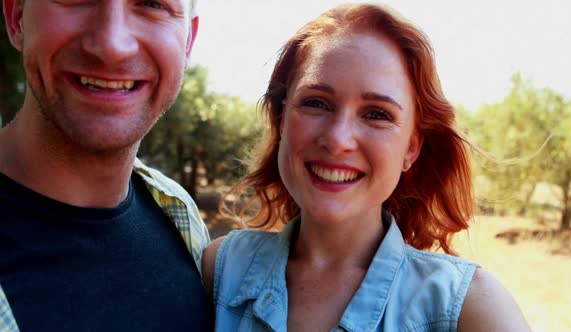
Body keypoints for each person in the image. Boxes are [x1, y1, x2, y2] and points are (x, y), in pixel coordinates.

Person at [202, 3, 531, 331]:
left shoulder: (470, 309)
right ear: (283, 119)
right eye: (316, 103)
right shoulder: (220, 270)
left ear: (411, 148)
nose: (338, 139)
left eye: (377, 114)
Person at [0, 0, 211, 330]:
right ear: (16, 18)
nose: (113, 45)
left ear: (187, 42)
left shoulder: (179, 214)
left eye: (153, 3)